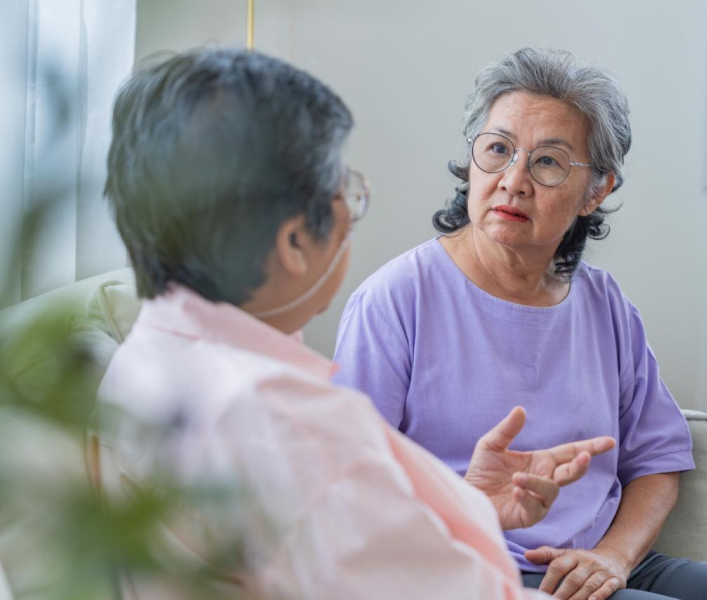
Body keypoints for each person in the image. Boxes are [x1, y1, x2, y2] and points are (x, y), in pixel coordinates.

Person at [97, 47, 616, 599]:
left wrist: (470, 504)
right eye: (346, 186)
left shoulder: (153, 358)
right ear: (295, 242)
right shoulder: (291, 423)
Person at [332, 47, 707, 599]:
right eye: (498, 150)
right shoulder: (395, 300)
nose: (513, 180)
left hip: (607, 566)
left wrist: (613, 557)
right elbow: (347, 490)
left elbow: (657, 458)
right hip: (480, 571)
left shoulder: (605, 305)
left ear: (596, 191)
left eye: (548, 161)